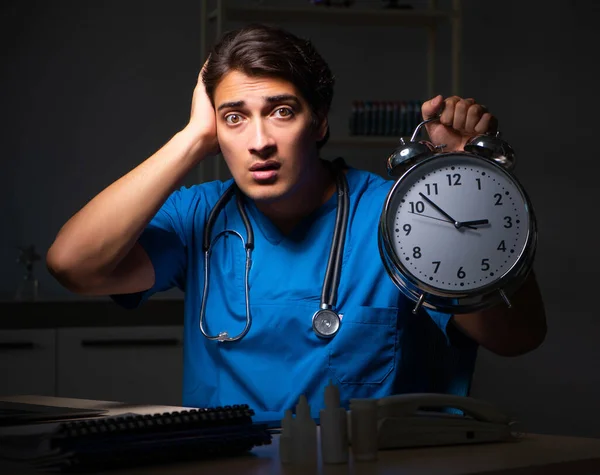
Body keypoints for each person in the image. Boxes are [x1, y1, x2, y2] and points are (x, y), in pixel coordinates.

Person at [46, 23, 546, 422]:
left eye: (281, 111)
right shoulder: (199, 215)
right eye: (234, 117)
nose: (259, 140)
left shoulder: (400, 214)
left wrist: (465, 181)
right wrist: (193, 138)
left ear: (320, 121)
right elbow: (73, 266)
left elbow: (517, 335)